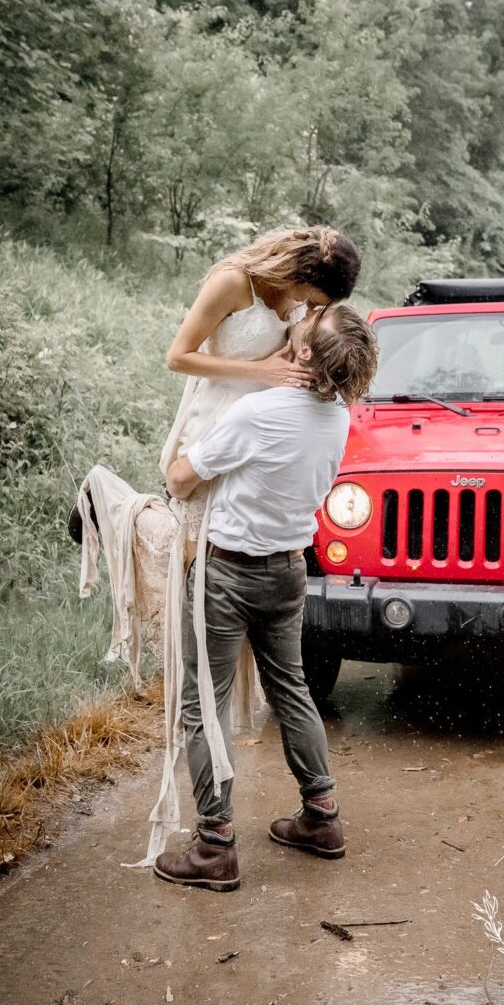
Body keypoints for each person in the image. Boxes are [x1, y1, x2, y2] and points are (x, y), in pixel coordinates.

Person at [141, 226, 362, 865]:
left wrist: (193, 463)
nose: (306, 315)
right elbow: (183, 355)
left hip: (229, 560)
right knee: (291, 685)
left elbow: (180, 478)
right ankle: (323, 817)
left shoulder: (260, 414)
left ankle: (213, 845)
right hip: (289, 563)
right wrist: (265, 375)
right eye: (310, 304)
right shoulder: (339, 417)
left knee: (199, 699)